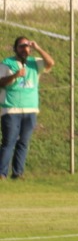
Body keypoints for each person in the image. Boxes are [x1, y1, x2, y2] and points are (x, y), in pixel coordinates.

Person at [0, 37, 55, 180]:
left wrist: (38, 47)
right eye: (21, 46)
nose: (24, 49)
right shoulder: (7, 63)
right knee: (9, 142)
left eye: (27, 46)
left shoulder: (34, 62)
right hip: (11, 109)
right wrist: (15, 75)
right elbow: (1, 82)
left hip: (30, 109)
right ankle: (1, 174)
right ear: (15, 48)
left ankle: (18, 174)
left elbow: (50, 63)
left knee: (23, 143)